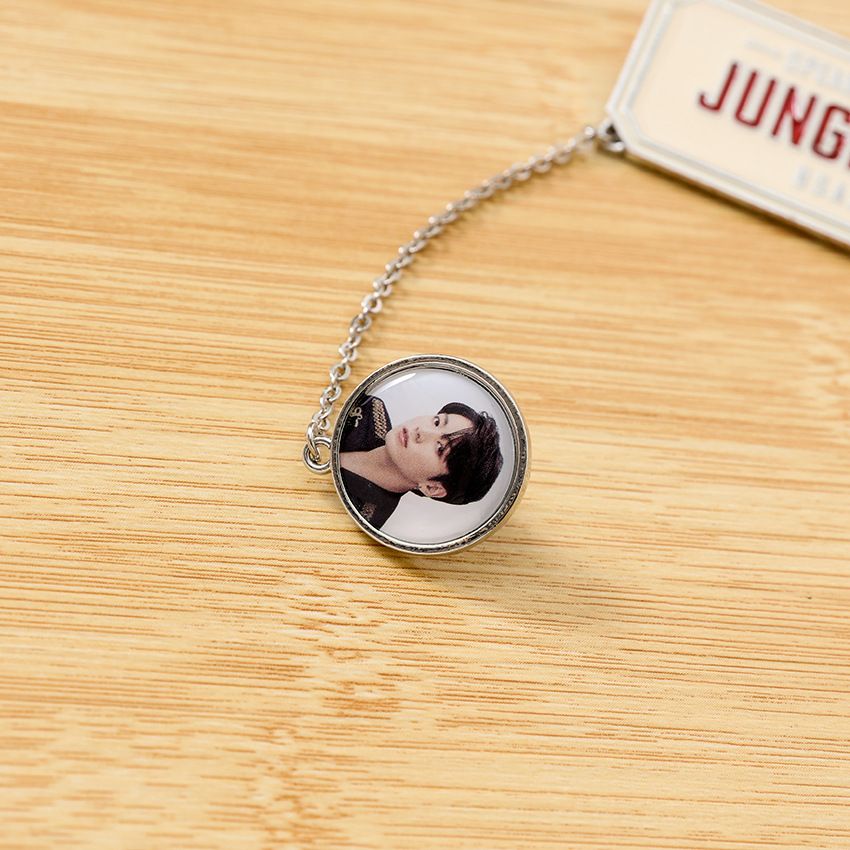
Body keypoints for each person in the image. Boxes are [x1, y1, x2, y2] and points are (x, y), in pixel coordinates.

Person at [339, 393, 503, 530]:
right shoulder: (370, 409)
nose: (421, 431)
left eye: (440, 448)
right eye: (437, 422)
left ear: (432, 487)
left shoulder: (364, 517)